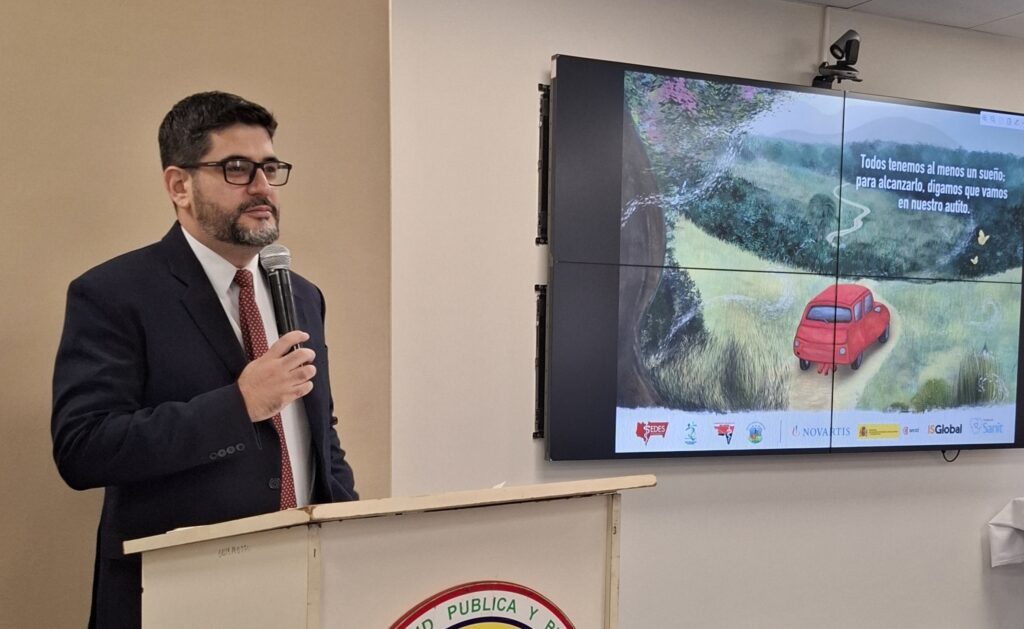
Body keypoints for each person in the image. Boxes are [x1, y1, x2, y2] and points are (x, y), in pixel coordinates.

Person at [51, 91, 357, 628]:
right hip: (177, 593)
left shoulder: (302, 295)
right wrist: (240, 404)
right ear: (179, 186)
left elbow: (319, 435)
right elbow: (84, 449)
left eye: (270, 168)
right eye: (236, 169)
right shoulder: (115, 293)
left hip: (302, 586)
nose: (262, 187)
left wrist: (353, 533)